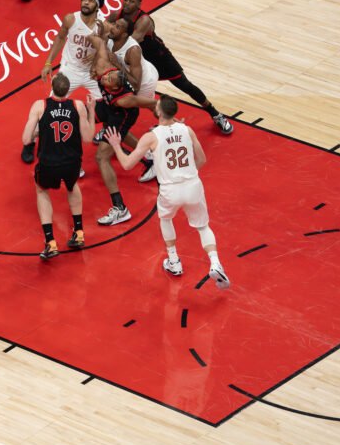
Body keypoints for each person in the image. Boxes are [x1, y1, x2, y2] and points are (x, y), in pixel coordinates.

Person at [104, 95, 230, 288]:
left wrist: (115, 145)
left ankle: (174, 261)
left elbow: (128, 164)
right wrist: (189, 174)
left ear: (159, 112)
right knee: (203, 227)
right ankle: (215, 262)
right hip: (192, 184)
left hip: (170, 189)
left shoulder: (151, 137)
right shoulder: (187, 130)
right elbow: (202, 159)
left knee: (166, 219)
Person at [111, 0, 233, 134]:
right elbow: (103, 29)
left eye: (132, 1)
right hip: (139, 60)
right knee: (126, 94)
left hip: (158, 57)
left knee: (185, 85)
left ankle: (215, 114)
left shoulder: (144, 20)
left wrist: (108, 44)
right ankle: (115, 128)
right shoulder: (116, 15)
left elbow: (130, 42)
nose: (127, 3)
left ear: (139, 4)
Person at [25, 0, 105, 164]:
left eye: (90, 0)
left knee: (107, 104)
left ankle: (103, 132)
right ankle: (30, 141)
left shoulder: (103, 25)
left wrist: (99, 53)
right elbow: (60, 38)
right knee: (49, 109)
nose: (85, 2)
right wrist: (48, 63)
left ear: (97, 6)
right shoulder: (71, 18)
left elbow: (109, 47)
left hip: (91, 73)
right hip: (69, 70)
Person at [21, 73, 96, 259]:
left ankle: (50, 242)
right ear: (68, 89)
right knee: (72, 186)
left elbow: (25, 139)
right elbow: (88, 138)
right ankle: (79, 233)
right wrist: (92, 111)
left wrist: (39, 130)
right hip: (72, 162)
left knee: (41, 190)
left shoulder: (40, 106)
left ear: (52, 87)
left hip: (49, 162)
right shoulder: (77, 106)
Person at [93, 56, 158, 227]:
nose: (105, 77)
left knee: (101, 157)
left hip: (122, 114)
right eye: (107, 75)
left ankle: (120, 208)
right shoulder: (104, 67)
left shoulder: (126, 99)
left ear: (114, 86)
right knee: (82, 115)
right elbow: (98, 43)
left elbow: (152, 103)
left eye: (109, 79)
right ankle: (149, 159)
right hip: (109, 106)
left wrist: (163, 115)